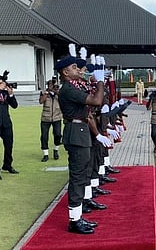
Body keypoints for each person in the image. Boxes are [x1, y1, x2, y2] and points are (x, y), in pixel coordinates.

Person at [57, 53, 106, 234]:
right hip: (76, 133)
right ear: (66, 72)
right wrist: (100, 82)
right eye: (74, 68)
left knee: (83, 173)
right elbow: (96, 101)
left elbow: (91, 106)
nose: (78, 70)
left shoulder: (72, 86)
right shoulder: (68, 89)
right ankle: (74, 220)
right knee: (78, 177)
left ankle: (78, 215)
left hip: (81, 132)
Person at [39, 79, 63, 162]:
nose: (52, 86)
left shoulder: (59, 93)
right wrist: (47, 92)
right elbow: (41, 101)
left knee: (58, 135)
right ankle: (45, 154)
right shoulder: (44, 92)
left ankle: (56, 149)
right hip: (46, 118)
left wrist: (56, 92)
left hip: (57, 117)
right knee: (44, 136)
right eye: (50, 85)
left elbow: (63, 99)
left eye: (53, 85)